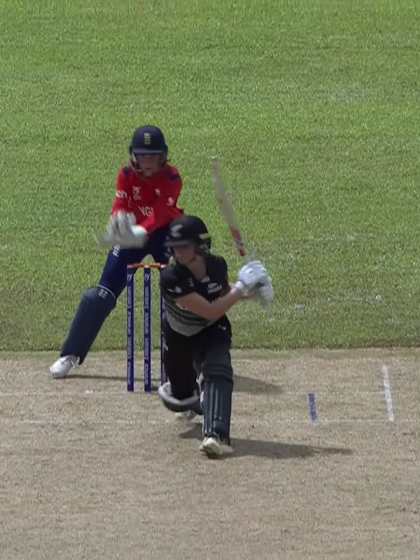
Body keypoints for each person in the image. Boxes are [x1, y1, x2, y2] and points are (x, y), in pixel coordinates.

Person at [50, 125, 184, 378]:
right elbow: (120, 202)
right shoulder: (125, 175)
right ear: (133, 155)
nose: (147, 162)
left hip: (165, 234)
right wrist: (117, 222)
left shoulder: (172, 177)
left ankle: (196, 362)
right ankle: (71, 354)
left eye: (152, 156)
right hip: (131, 235)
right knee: (99, 296)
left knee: (183, 291)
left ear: (163, 156)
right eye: (142, 155)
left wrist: (141, 231)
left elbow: (162, 213)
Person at [157, 214, 273, 458]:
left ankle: (216, 435)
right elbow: (210, 308)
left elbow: (221, 295)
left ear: (200, 245)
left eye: (184, 246)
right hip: (179, 335)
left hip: (211, 329)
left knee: (217, 368)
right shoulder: (171, 277)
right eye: (174, 247)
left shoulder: (217, 265)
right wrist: (242, 287)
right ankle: (195, 399)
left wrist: (255, 290)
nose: (177, 252)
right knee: (179, 399)